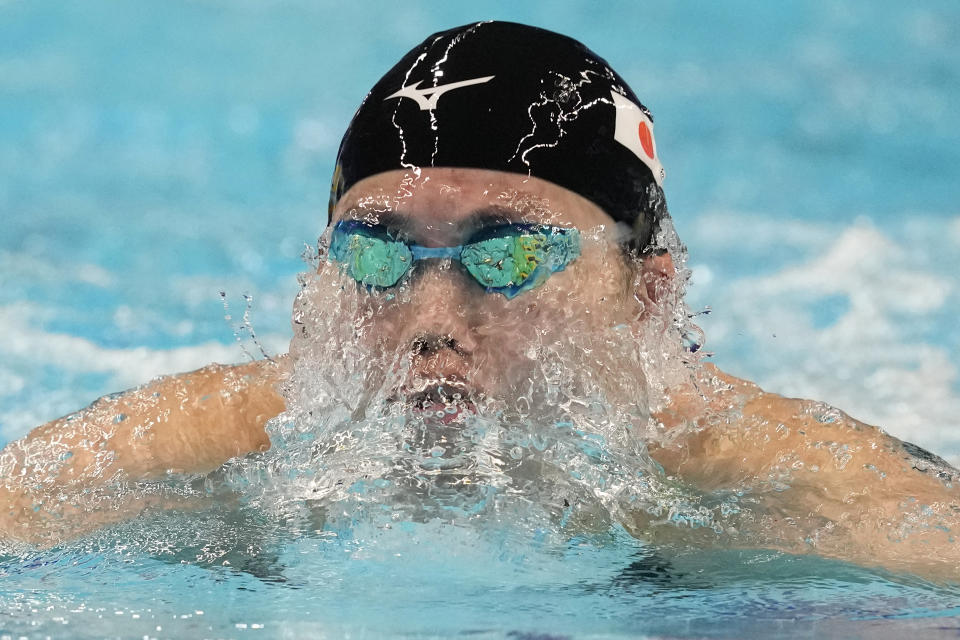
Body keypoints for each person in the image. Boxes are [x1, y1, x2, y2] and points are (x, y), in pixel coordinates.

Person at [2, 21, 957, 579]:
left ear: (647, 296)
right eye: (376, 259)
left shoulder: (771, 484)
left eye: (506, 258)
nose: (431, 323)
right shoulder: (223, 442)